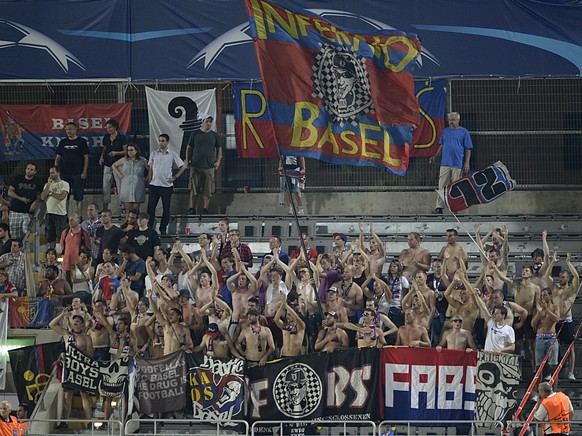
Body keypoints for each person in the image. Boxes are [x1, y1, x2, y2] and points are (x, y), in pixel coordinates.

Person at [49, 308, 93, 429]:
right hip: (69, 368)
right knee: (68, 395)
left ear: (82, 324)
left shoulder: (87, 338)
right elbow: (52, 324)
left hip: (82, 367)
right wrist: (62, 314)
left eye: (78, 321)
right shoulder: (66, 334)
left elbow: (90, 354)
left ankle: (89, 421)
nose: (75, 323)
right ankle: (65, 421)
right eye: (74, 321)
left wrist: (77, 352)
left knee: (85, 395)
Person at [430, 111, 473, 214]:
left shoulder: (464, 132)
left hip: (457, 163)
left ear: (458, 120)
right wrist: (436, 156)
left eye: (453, 120)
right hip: (445, 163)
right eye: (449, 120)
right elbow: (442, 145)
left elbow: (468, 148)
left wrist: (466, 162)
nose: (451, 122)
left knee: (456, 187)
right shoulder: (445, 131)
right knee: (442, 185)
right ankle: (439, 207)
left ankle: (455, 208)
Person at [147, 133, 186, 235]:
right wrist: (150, 180)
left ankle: (163, 228)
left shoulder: (172, 154)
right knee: (150, 208)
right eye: (160, 141)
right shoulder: (154, 153)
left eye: (163, 141)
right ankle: (149, 228)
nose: (161, 143)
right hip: (154, 184)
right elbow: (150, 168)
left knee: (166, 208)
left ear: (167, 142)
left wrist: (175, 177)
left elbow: (182, 166)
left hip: (166, 186)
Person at [186, 115, 222, 215]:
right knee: (194, 188)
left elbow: (219, 148)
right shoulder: (195, 134)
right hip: (195, 165)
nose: (209, 123)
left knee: (208, 189)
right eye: (207, 121)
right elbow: (189, 147)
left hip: (209, 166)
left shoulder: (214, 135)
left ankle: (205, 208)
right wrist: (188, 160)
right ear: (202, 122)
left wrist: (218, 161)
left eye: (210, 122)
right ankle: (192, 208)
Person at [553, 253, 580, 380]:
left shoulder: (571, 290)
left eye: (563, 277)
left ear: (567, 278)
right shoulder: (556, 290)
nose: (561, 279)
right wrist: (552, 262)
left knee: (570, 348)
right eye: (560, 277)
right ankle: (556, 369)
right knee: (555, 347)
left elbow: (576, 277)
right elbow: (547, 277)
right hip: (558, 320)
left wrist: (569, 263)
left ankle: (571, 372)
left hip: (568, 321)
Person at [54, 122, 89, 216]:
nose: (68, 131)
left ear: (75, 129)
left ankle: (79, 216)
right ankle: (64, 216)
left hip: (78, 173)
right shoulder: (63, 142)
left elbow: (86, 157)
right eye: (66, 129)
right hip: (65, 174)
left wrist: (84, 171)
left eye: (70, 129)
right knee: (65, 196)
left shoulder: (81, 142)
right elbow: (57, 157)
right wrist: (56, 172)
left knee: (79, 196)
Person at [7, 162, 42, 240]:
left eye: (31, 170)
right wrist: (21, 198)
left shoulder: (37, 181)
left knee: (27, 232)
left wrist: (36, 202)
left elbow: (41, 195)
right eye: (28, 169)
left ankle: (26, 249)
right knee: (14, 233)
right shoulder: (18, 178)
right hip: (15, 210)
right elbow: (10, 192)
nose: (29, 171)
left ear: (35, 172)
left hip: (28, 212)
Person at [531, 288, 560, 383]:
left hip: (551, 338)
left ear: (550, 296)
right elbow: (533, 324)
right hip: (540, 338)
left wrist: (546, 309)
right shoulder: (538, 309)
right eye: (542, 295)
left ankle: (554, 390)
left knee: (553, 365)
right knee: (538, 366)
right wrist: (539, 312)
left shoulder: (555, 307)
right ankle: (537, 391)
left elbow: (556, 319)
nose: (543, 297)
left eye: (545, 295)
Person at [99, 118, 127, 210]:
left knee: (120, 185)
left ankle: (122, 207)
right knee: (105, 186)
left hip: (119, 165)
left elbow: (126, 151)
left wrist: (116, 153)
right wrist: (102, 157)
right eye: (107, 128)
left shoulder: (122, 138)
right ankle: (105, 208)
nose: (108, 129)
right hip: (107, 164)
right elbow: (105, 148)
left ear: (115, 127)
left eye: (110, 127)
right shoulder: (106, 137)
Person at [112, 143, 148, 214]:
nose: (130, 152)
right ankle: (127, 223)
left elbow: (150, 169)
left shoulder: (142, 160)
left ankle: (136, 224)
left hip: (138, 185)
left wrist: (147, 178)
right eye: (128, 150)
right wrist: (119, 174)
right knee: (128, 208)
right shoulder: (124, 160)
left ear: (136, 151)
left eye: (131, 150)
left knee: (136, 208)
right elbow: (114, 165)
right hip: (126, 185)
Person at [40, 166, 69, 250]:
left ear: (58, 173)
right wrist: (48, 185)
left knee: (61, 236)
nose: (51, 175)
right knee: (50, 237)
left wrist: (50, 194)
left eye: (53, 173)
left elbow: (61, 196)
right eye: (50, 173)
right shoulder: (47, 185)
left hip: (60, 214)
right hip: (49, 214)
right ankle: (52, 253)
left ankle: (63, 254)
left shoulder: (64, 184)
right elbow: (42, 197)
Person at [60, 213, 91, 285]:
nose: (70, 222)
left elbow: (87, 247)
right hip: (67, 262)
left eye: (72, 220)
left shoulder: (83, 234)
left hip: (78, 264)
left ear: (78, 221)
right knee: (67, 283)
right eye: (69, 220)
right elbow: (62, 246)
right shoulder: (65, 232)